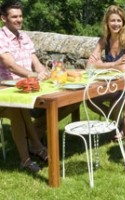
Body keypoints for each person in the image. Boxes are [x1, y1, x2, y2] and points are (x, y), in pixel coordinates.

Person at [0, 0, 48, 172]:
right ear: (3, 18)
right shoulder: (0, 37)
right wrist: (32, 75)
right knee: (17, 108)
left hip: (26, 88)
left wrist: (43, 72)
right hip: (4, 90)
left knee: (63, 101)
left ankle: (35, 144)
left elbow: (36, 62)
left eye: (20, 16)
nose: (19, 20)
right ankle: (27, 156)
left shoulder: (25, 37)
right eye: (14, 17)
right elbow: (10, 65)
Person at [86, 5, 125, 124]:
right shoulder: (104, 40)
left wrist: (100, 64)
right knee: (90, 100)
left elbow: (124, 68)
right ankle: (119, 123)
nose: (116, 24)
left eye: (119, 21)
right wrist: (114, 63)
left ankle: (117, 126)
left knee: (118, 100)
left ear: (123, 23)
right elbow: (89, 66)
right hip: (112, 84)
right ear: (107, 23)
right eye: (112, 20)